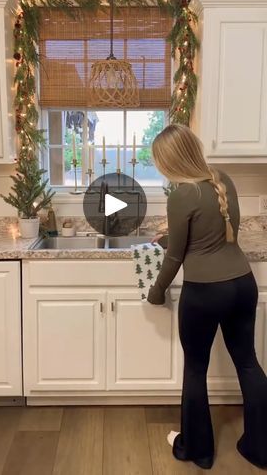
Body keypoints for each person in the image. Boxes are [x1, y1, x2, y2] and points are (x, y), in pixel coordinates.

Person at [147, 124, 267, 470]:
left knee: (196, 369)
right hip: (242, 284)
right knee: (248, 362)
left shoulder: (181, 195)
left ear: (170, 160)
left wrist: (157, 291)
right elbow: (217, 237)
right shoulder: (222, 179)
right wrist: (169, 240)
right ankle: (261, 449)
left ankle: (196, 450)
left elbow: (177, 257)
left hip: (204, 293)